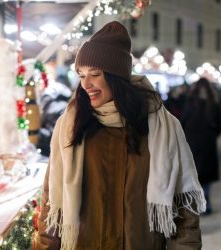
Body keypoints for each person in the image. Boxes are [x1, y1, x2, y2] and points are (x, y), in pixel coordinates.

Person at [34, 21, 205, 250]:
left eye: (94, 73)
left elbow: (184, 213)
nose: (86, 84)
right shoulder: (71, 125)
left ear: (116, 76)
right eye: (81, 74)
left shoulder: (161, 127)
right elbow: (51, 202)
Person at [181, 78, 221, 215]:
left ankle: (198, 203)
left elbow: (183, 121)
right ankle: (207, 203)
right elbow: (219, 123)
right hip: (208, 141)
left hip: (193, 142)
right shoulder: (213, 101)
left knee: (195, 173)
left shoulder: (190, 101)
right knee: (207, 175)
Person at [37, 71, 73, 157]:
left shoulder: (48, 95)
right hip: (67, 138)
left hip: (53, 140)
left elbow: (42, 120)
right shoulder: (65, 92)